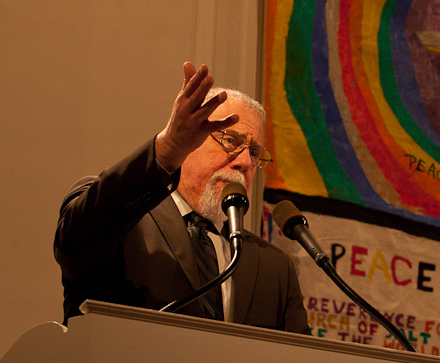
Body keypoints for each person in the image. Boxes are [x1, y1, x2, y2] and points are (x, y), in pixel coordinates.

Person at [54, 62, 310, 333]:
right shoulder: (125, 218)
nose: (246, 161)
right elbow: (74, 245)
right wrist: (168, 148)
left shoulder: (274, 268)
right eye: (232, 141)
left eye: (255, 152)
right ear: (190, 138)